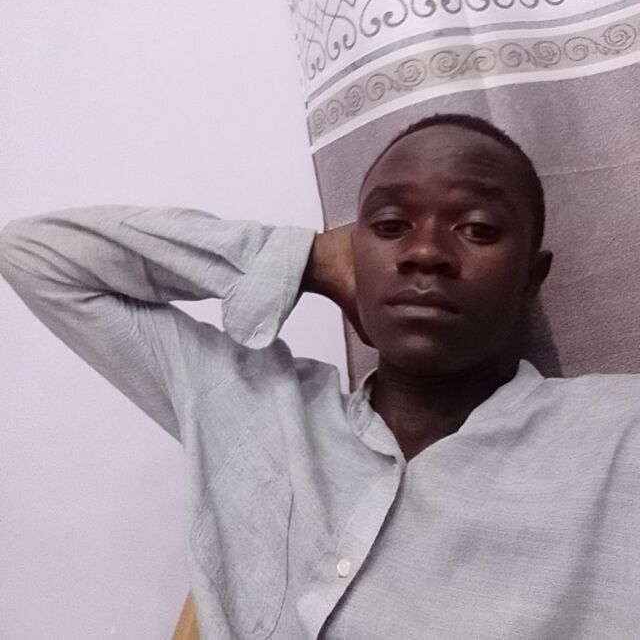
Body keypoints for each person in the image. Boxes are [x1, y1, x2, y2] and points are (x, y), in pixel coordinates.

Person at [1, 112, 639, 640]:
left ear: (531, 277)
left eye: (476, 228)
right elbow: (33, 254)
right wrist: (302, 256)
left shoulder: (617, 436)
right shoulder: (253, 406)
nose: (424, 251)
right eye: (389, 227)